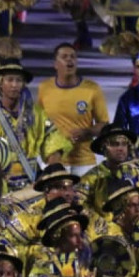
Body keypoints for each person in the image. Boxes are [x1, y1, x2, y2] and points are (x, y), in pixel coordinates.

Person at [0, 58, 72, 192]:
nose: (14, 85)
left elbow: (53, 140)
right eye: (9, 80)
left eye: (19, 80)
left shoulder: (37, 114)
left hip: (33, 183)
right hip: (2, 186)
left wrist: (51, 170)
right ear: (0, 84)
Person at [38, 43, 109, 177]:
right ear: (55, 64)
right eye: (64, 57)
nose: (69, 60)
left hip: (84, 161)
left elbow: (104, 125)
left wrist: (88, 131)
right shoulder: (44, 88)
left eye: (73, 57)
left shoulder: (92, 89)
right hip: (53, 161)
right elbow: (39, 123)